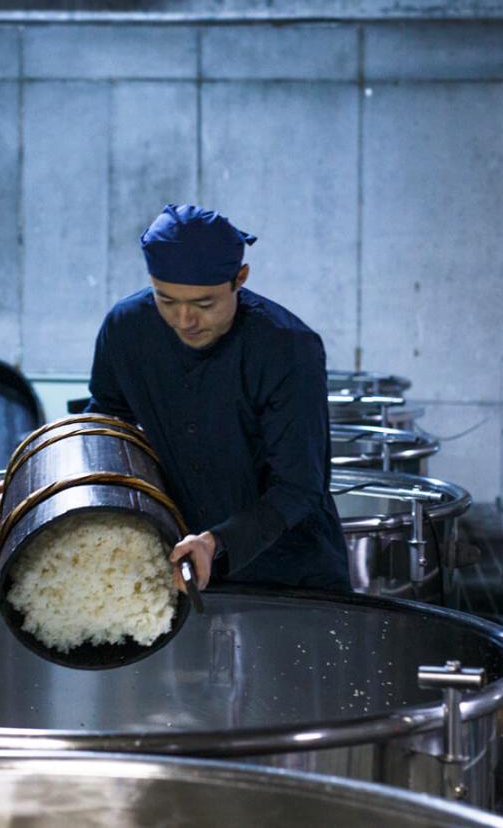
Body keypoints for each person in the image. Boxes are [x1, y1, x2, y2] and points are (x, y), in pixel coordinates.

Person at [86, 203, 352, 596]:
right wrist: (43, 486)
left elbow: (298, 488)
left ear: (239, 279)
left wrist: (216, 542)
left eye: (204, 304)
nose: (184, 320)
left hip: (290, 574)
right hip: (178, 565)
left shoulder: (288, 348)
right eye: (166, 300)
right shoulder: (126, 328)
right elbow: (106, 423)